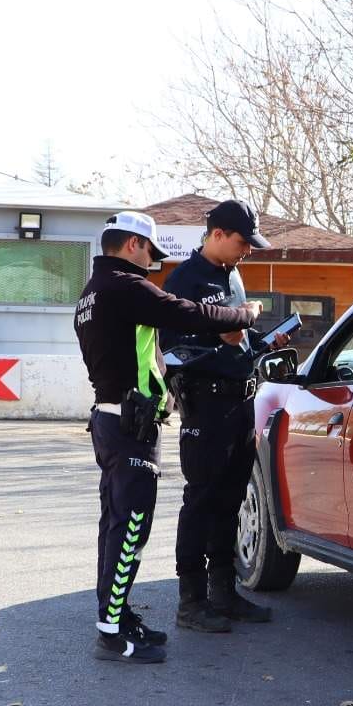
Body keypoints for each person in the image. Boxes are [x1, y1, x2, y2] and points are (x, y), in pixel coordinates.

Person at [74, 211, 260, 663]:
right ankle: (113, 632)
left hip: (113, 418)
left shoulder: (92, 293)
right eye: (149, 253)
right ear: (133, 245)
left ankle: (115, 616)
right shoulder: (124, 287)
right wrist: (244, 314)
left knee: (116, 526)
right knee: (130, 529)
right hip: (129, 425)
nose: (150, 264)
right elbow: (185, 311)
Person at [160, 199, 287, 633]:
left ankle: (224, 592)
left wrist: (255, 346)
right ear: (216, 234)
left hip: (240, 403)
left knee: (232, 498)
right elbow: (175, 352)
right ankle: (191, 601)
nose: (246, 250)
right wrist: (223, 342)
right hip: (205, 405)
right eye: (241, 241)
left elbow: (238, 340)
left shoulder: (233, 274)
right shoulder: (184, 280)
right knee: (202, 500)